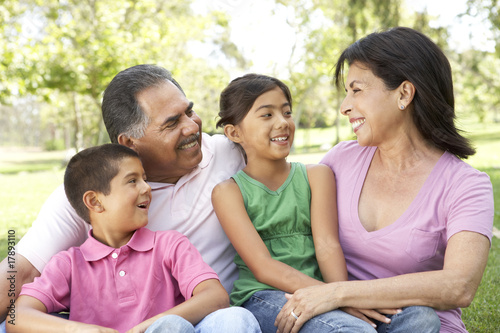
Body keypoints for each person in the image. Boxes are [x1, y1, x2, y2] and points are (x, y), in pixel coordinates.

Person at [0, 65, 260, 332]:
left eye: (189, 111)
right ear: (129, 143)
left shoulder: (233, 153)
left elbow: (293, 179)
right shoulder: (88, 193)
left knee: (230, 320)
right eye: (172, 122)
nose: (191, 126)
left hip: (202, 320)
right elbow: (18, 271)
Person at [274, 27, 494, 333]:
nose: (344, 106)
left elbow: (459, 285)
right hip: (342, 324)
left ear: (404, 93)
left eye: (357, 90)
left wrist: (338, 293)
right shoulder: (340, 161)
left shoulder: (466, 186)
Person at [212, 74, 386, 332]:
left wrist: (340, 297)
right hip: (264, 296)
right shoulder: (229, 192)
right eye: (267, 115)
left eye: (287, 112)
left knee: (420, 317)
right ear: (234, 132)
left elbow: (327, 245)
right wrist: (337, 302)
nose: (283, 122)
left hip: (323, 293)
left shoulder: (317, 176)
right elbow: (263, 267)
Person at [7, 144, 230, 333]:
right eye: (133, 181)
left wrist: (148, 326)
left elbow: (215, 296)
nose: (147, 188)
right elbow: (17, 317)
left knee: (228, 319)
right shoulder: (69, 264)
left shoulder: (170, 245)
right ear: (95, 202)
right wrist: (86, 330)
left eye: (145, 178)